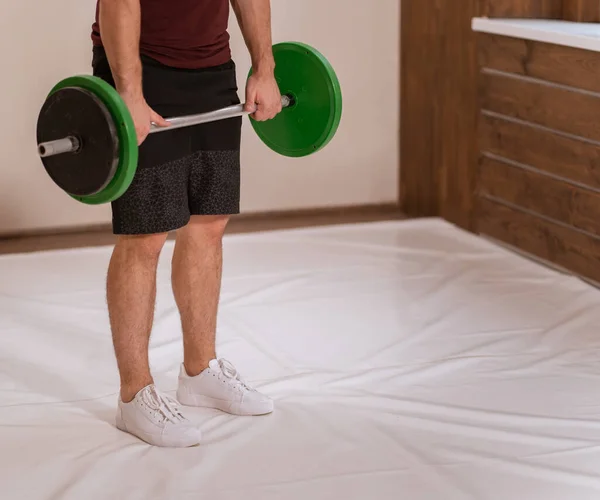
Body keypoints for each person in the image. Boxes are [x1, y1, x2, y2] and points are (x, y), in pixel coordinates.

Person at [91, 0, 282, 447]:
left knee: (209, 220)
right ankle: (134, 394)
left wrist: (264, 66)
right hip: (141, 65)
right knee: (146, 233)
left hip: (212, 67)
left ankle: (200, 371)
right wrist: (129, 93)